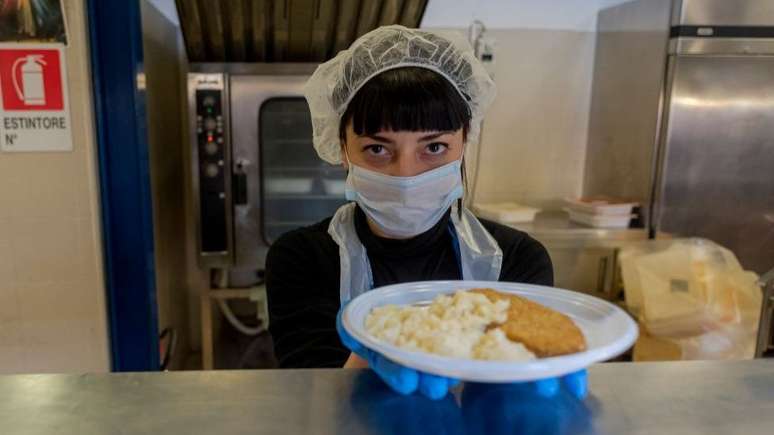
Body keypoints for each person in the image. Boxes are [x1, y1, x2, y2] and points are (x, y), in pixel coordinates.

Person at [266, 25, 586, 400]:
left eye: (433, 147)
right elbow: (315, 399)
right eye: (377, 149)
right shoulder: (300, 259)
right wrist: (368, 358)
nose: (406, 174)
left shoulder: (515, 261)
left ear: (465, 142)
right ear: (342, 148)